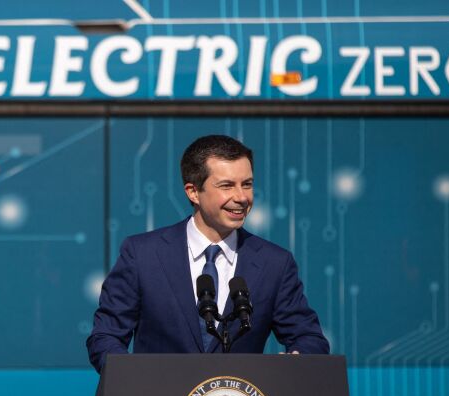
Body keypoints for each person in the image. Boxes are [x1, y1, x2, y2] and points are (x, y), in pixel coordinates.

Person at [87, 135, 329, 373]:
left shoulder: (274, 262)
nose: (242, 197)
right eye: (226, 186)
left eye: (247, 184)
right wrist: (132, 380)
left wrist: (297, 360)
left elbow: (309, 338)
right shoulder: (142, 255)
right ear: (193, 192)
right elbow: (105, 336)